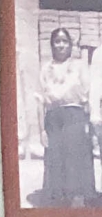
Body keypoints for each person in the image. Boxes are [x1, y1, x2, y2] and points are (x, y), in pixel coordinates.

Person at [40, 26, 95, 206]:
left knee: (75, 157)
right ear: (52, 45)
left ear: (70, 45)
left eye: (64, 41)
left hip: (74, 115)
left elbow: (87, 94)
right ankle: (57, 198)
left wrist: (89, 122)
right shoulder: (46, 68)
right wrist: (41, 129)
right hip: (53, 118)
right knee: (55, 157)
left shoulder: (79, 66)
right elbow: (40, 99)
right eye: (57, 41)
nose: (61, 45)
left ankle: (78, 198)